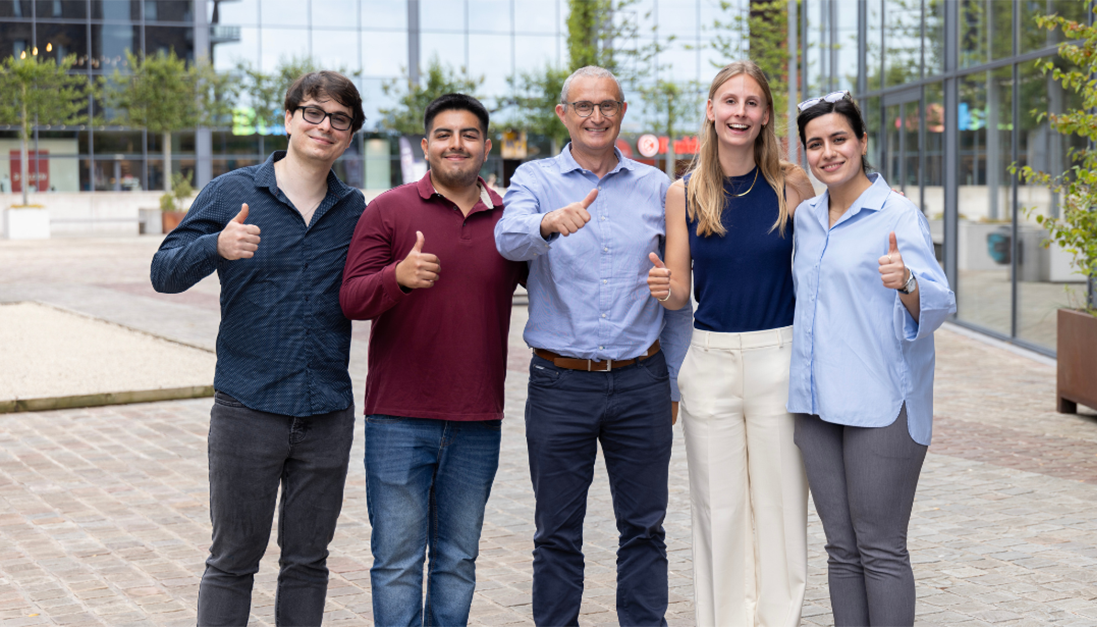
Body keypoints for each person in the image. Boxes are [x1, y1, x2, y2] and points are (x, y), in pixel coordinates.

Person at [149, 71, 366, 627]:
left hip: (326, 413)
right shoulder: (231, 192)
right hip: (247, 410)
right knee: (232, 562)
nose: (325, 126)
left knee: (308, 563)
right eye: (314, 113)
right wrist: (215, 244)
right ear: (289, 117)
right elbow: (163, 272)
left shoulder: (355, 210)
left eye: (340, 119)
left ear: (350, 134)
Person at [494, 65, 693, 627]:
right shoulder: (534, 180)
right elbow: (508, 239)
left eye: (606, 105)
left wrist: (672, 381)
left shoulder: (659, 187)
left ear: (622, 112)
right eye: (583, 106)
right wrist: (550, 224)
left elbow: (679, 298)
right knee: (556, 531)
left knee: (645, 528)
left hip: (641, 381)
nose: (595, 116)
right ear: (564, 114)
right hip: (560, 383)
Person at [339, 93, 525, 627]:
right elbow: (350, 299)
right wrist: (395, 278)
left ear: (486, 147)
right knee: (396, 563)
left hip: (478, 419)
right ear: (426, 146)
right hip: (398, 418)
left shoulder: (509, 221)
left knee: (457, 561)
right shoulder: (389, 209)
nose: (456, 144)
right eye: (444, 134)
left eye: (469, 135)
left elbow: (560, 291)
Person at [646, 60, 816, 627]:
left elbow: (817, 274)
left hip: (780, 357)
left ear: (766, 115)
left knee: (782, 509)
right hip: (711, 363)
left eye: (751, 103)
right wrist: (665, 288)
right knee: (718, 512)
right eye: (729, 101)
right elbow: (678, 297)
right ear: (713, 111)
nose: (739, 112)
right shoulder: (684, 193)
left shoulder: (792, 184)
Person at [790, 91, 955, 626]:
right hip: (816, 407)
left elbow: (939, 302)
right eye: (815, 144)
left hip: (881, 404)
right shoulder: (807, 218)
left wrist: (905, 281)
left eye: (839, 139)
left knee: (880, 549)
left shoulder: (898, 214)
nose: (828, 152)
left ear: (862, 142)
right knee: (841, 549)